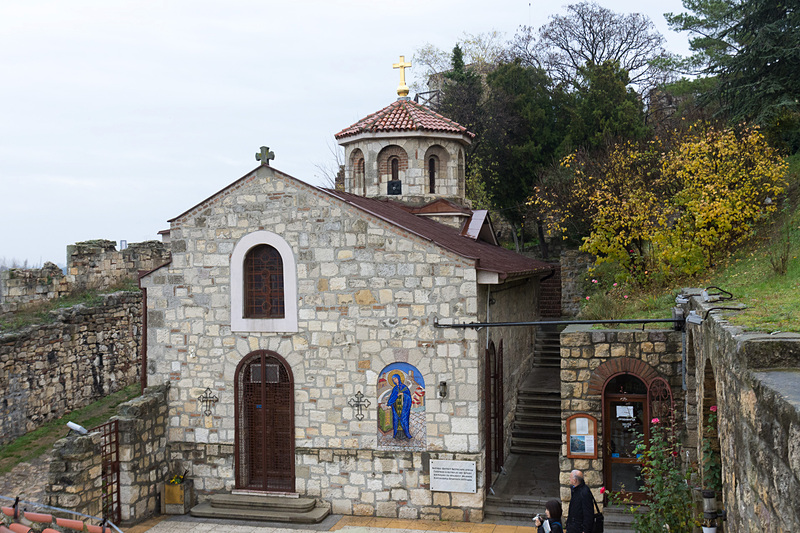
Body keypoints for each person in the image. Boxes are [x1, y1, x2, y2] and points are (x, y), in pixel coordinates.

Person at [388, 374, 413, 439]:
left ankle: (405, 434)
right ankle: (397, 434)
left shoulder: (405, 387)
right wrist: (389, 401)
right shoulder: (395, 388)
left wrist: (403, 394)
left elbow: (409, 397)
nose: (395, 380)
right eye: (393, 380)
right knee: (396, 420)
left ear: (398, 378)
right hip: (396, 407)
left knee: (403, 419)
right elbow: (392, 397)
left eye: (395, 379)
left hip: (403, 407)